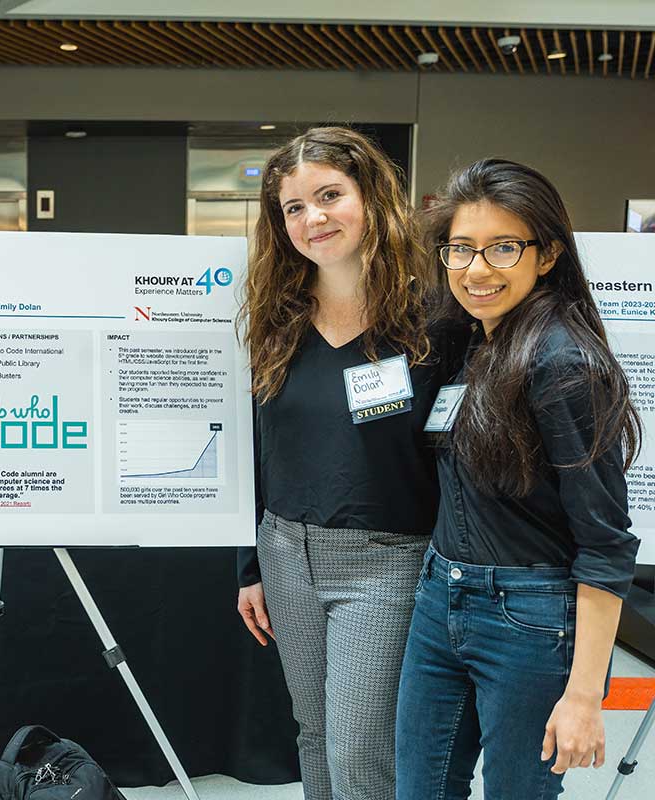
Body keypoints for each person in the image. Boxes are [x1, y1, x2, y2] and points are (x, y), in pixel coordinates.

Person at [395, 159, 640, 799]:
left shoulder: (562, 364)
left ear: (549, 252)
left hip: (530, 617)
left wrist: (586, 695)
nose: (477, 270)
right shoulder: (473, 342)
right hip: (439, 597)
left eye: (504, 247)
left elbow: (607, 542)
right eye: (461, 249)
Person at [235, 127, 465, 800]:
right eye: (295, 207)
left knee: (359, 746)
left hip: (386, 560)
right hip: (284, 553)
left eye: (330, 195)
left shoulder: (434, 317)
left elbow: (457, 455)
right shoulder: (275, 314)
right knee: (312, 732)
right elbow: (259, 445)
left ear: (371, 198)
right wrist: (249, 566)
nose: (314, 218)